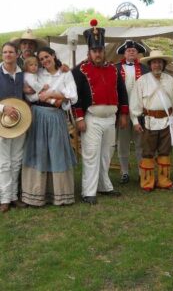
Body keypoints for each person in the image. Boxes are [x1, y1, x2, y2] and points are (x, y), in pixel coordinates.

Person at [72, 20, 129, 205]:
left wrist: (123, 114)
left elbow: (122, 92)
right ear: (89, 52)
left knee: (106, 154)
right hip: (92, 119)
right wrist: (79, 117)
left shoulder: (113, 69)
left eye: (100, 50)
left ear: (104, 52)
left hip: (110, 119)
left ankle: (105, 186)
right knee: (91, 155)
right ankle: (88, 191)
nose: (98, 54)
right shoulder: (80, 70)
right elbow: (76, 96)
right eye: (94, 51)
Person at [21, 47, 78, 206]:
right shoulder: (37, 73)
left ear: (53, 55)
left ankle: (60, 194)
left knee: (56, 150)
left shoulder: (65, 73)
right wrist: (57, 95)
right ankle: (35, 194)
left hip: (55, 116)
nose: (45, 61)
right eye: (42, 59)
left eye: (47, 57)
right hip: (38, 114)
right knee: (38, 151)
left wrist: (53, 95)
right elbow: (29, 91)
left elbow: (72, 96)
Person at [130, 49, 173, 192]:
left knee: (165, 152)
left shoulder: (170, 80)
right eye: (154, 62)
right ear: (150, 64)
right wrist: (135, 121)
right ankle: (147, 182)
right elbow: (135, 102)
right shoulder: (142, 81)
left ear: (163, 64)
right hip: (149, 122)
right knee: (147, 152)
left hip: (167, 122)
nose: (157, 65)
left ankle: (164, 181)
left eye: (159, 62)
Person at [0, 42, 29, 213]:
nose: (8, 55)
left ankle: (13, 196)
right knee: (3, 163)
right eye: (5, 52)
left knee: (16, 160)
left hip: (20, 122)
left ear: (17, 54)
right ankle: (4, 199)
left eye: (11, 52)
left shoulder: (22, 74)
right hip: (2, 123)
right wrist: (4, 108)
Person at [115, 40, 149, 184]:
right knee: (122, 143)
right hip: (122, 112)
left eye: (134, 50)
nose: (131, 52)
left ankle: (142, 171)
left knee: (140, 143)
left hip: (140, 112)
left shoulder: (145, 69)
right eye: (128, 50)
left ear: (137, 53)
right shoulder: (115, 68)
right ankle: (124, 172)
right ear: (124, 52)